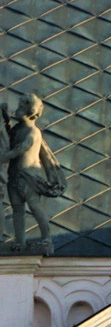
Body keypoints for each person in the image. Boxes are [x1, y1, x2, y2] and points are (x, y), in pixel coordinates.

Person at [0, 93, 66, 254]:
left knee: (35, 207)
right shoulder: (17, 129)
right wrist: (5, 119)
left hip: (28, 176)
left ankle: (46, 238)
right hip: (14, 176)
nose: (18, 109)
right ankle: (20, 241)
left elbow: (20, 149)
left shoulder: (33, 132)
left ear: (32, 111)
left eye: (22, 106)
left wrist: (2, 158)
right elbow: (8, 139)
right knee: (17, 210)